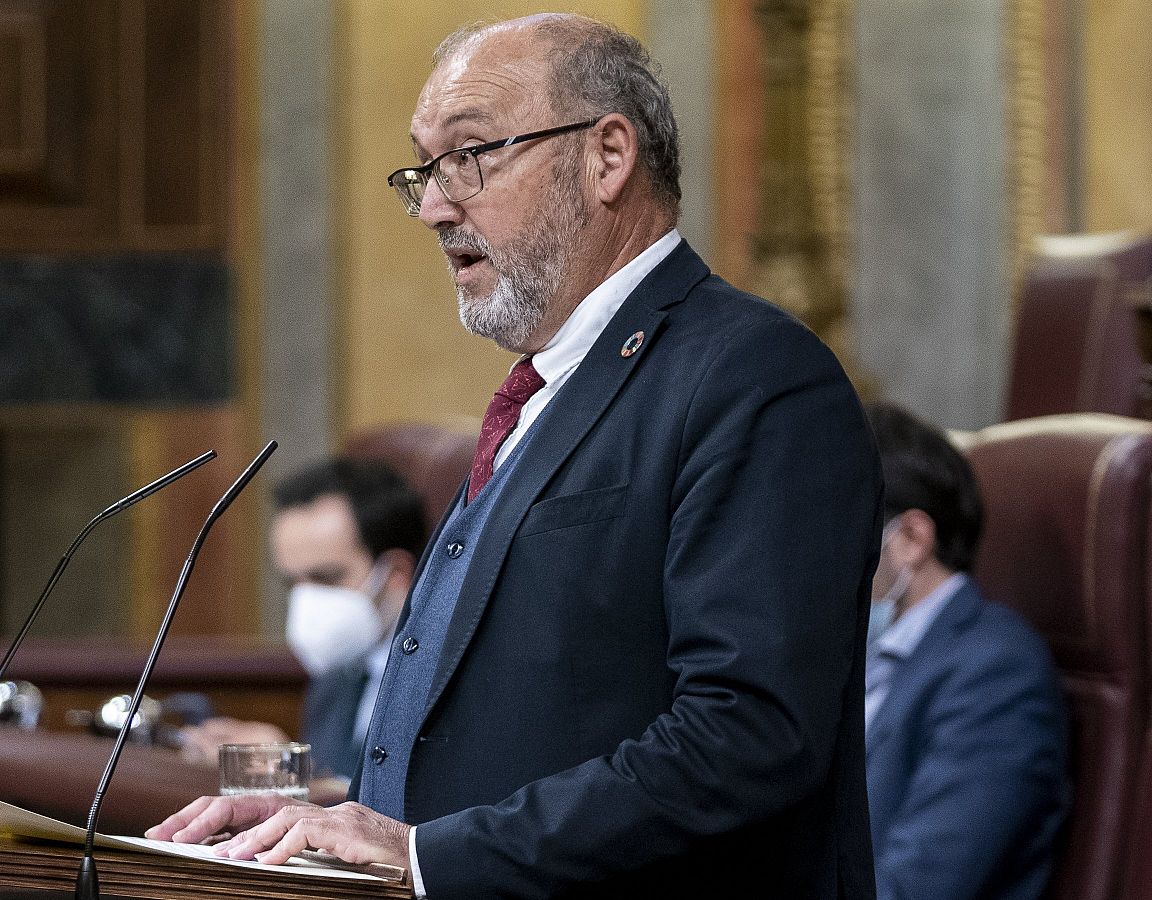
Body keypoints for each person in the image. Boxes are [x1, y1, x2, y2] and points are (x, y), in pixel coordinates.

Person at [150, 13, 881, 897]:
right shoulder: (542, 391)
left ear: (607, 157)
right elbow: (514, 728)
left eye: (471, 156)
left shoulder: (754, 377)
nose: (432, 205)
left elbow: (748, 736)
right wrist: (318, 815)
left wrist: (426, 858)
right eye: (424, 168)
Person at [863, 402, 1069, 900]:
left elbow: (914, 888)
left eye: (834, 531)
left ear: (911, 538)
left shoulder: (996, 675)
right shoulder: (858, 653)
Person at [177, 457, 426, 789]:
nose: (307, 600)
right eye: (293, 582)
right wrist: (285, 765)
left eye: (325, 578)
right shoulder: (337, 673)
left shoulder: (441, 678)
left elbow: (410, 815)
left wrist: (290, 768)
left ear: (395, 574)